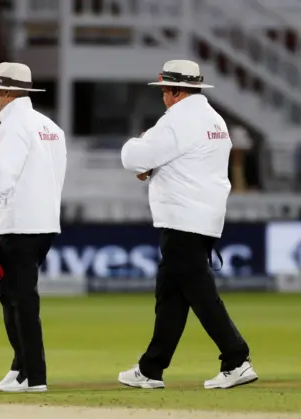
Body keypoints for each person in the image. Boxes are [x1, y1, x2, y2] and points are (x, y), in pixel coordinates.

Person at [119, 60, 257, 390]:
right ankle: (151, 368)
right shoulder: (213, 119)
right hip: (204, 215)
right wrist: (154, 166)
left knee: (198, 290)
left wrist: (137, 147)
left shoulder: (178, 120)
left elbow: (134, 157)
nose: (164, 98)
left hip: (182, 217)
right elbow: (188, 162)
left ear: (177, 91)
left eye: (165, 91)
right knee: (171, 295)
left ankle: (236, 358)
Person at [0, 62, 67, 393]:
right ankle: (19, 367)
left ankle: (33, 377)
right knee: (11, 293)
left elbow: (4, 177)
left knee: (20, 299)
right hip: (44, 222)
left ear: (7, 92)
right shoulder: (50, 126)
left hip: (21, 225)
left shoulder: (14, 125)